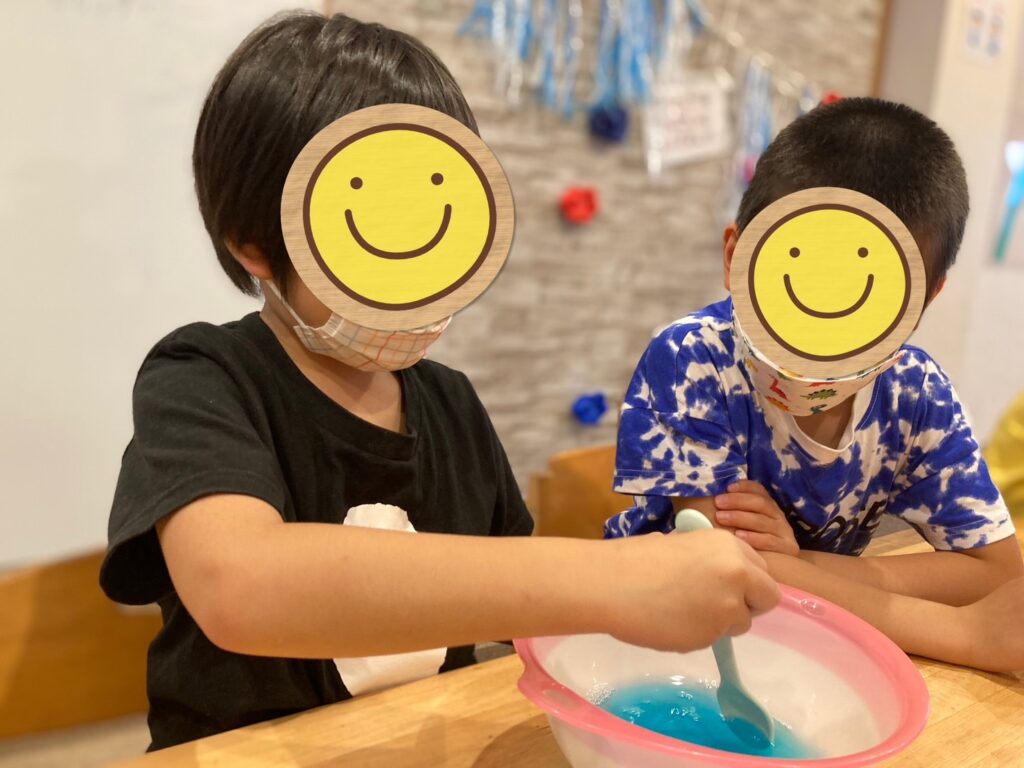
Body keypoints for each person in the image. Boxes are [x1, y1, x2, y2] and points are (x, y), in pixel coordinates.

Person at [100, 11, 778, 751]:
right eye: (377, 224)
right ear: (257, 245)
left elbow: (516, 600)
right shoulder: (203, 377)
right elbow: (240, 586)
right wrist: (614, 579)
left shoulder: (451, 401)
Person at [608, 98, 1024, 673]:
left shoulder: (917, 392)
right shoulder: (693, 357)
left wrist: (798, 564)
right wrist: (961, 631)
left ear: (926, 296)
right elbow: (722, 568)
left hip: (806, 651)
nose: (818, 341)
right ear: (737, 257)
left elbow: (996, 573)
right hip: (656, 646)